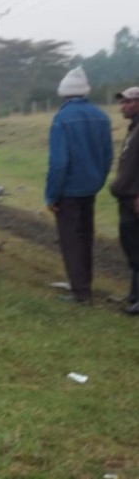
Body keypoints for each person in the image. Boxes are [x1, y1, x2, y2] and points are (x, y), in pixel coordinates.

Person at [45, 66, 113, 304]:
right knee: (86, 237)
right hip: (90, 188)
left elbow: (59, 162)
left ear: (64, 94)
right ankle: (85, 284)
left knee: (71, 241)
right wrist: (98, 180)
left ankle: (80, 292)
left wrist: (51, 195)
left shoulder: (61, 119)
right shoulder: (102, 117)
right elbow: (107, 156)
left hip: (69, 191)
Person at [108, 86, 139, 315]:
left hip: (135, 199)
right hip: (126, 198)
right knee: (131, 245)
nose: (123, 106)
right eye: (122, 102)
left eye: (128, 102)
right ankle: (134, 294)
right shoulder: (133, 128)